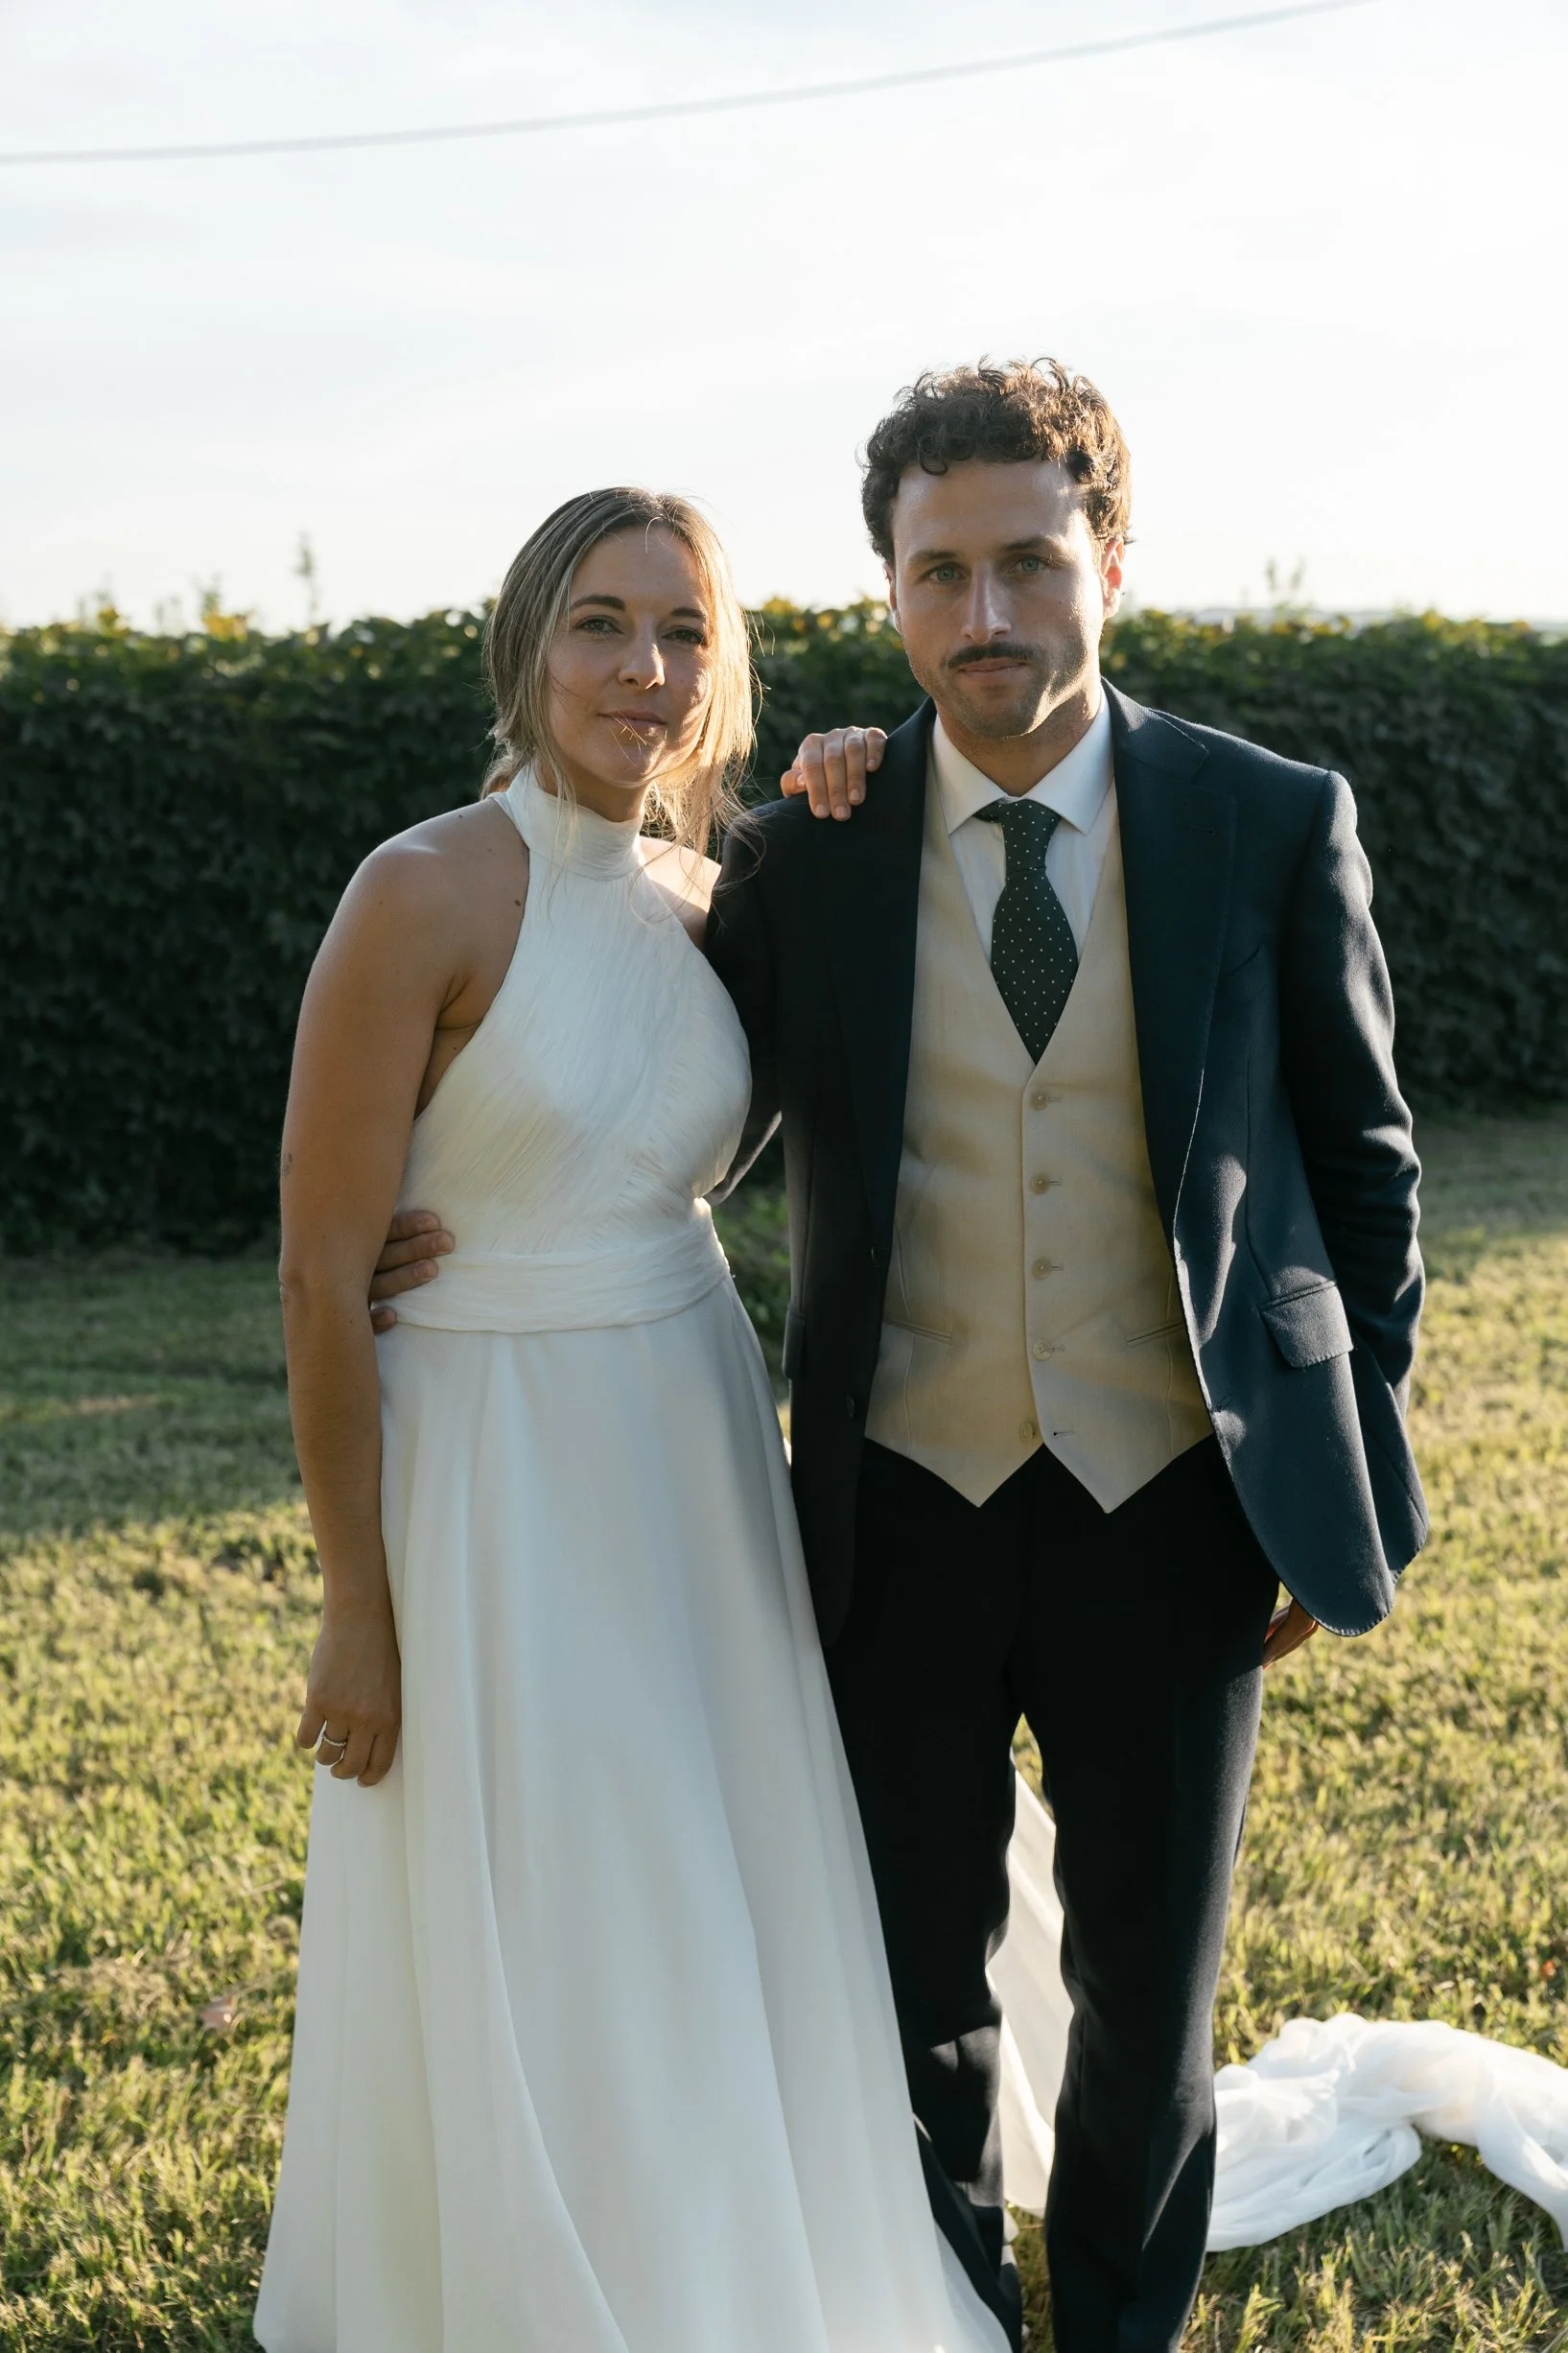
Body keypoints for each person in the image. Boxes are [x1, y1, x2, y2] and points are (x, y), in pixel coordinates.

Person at [367, 362, 1427, 2353]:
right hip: (894, 1512)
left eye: (1029, 560)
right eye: (939, 572)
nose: (988, 612)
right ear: (890, 591)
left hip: (1175, 1503)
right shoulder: (816, 845)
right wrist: (440, 1217)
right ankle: (937, 2316)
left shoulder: (1271, 822)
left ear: (1109, 559)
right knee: (901, 1985)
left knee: (1143, 1998)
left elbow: (1364, 1177)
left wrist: (1336, 1469)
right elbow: (652, 1084)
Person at [255, 485, 1014, 2352]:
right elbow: (313, 1269)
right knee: (549, 1868)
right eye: (601, 621)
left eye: (683, 630)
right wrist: (357, 1599)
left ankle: (736, 2244)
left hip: (684, 1432)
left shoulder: (712, 900)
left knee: (712, 1861)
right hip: (492, 1460)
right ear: (527, 644)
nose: (644, 667)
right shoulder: (417, 889)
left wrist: (861, 766)